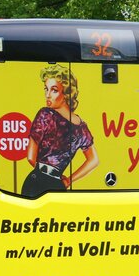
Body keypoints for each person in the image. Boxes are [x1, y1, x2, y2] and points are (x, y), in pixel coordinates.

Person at [22, 64, 99, 197]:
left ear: (67, 93)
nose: (47, 95)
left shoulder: (45, 115)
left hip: (36, 180)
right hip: (58, 185)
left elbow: (30, 157)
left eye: (54, 90)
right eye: (46, 89)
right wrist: (68, 180)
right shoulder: (81, 127)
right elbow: (93, 160)